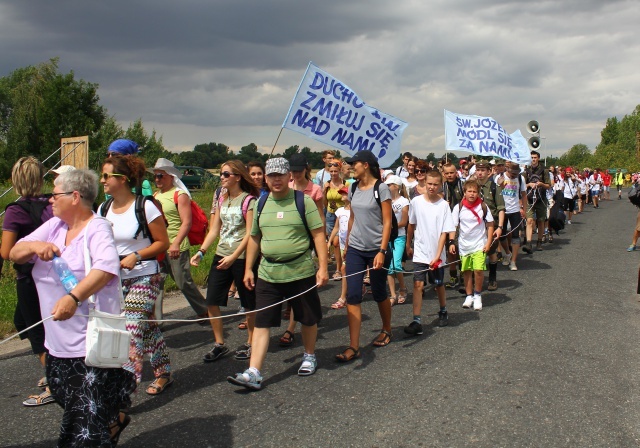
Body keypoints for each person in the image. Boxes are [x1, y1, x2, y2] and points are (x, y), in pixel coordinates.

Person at [9, 169, 135, 447]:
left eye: (55, 194)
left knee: (81, 431)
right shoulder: (54, 226)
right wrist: (36, 245)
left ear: (75, 196)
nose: (50, 200)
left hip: (87, 344)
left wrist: (73, 298)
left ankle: (103, 426)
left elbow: (105, 268)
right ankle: (113, 420)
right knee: (69, 399)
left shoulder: (97, 227)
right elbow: (14, 252)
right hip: (56, 344)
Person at [227, 158, 328, 390]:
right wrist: (249, 268)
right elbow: (254, 238)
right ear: (265, 178)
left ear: (289, 176)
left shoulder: (305, 202)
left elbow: (318, 236)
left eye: (280, 175)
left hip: (300, 271)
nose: (276, 179)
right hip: (268, 273)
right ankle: (254, 372)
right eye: (271, 175)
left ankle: (310, 355)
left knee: (308, 317)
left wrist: (322, 267)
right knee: (262, 322)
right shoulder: (260, 204)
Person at [100, 154, 173, 395]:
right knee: (148, 327)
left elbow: (162, 242)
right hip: (116, 279)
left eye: (106, 176)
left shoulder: (145, 206)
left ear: (122, 179)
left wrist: (137, 255)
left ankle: (124, 389)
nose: (102, 181)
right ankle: (163, 372)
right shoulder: (104, 208)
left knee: (131, 329)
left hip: (146, 274)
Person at [191, 160, 258, 362]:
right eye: (221, 174)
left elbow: (250, 234)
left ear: (238, 177)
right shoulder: (222, 198)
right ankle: (219, 343)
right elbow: (214, 230)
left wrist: (234, 256)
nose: (221, 177)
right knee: (212, 300)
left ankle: (252, 342)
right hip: (222, 254)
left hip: (242, 256)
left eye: (226, 174)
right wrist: (202, 251)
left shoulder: (249, 201)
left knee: (249, 303)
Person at [1, 157, 54, 406]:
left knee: (35, 332)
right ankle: (54, 370)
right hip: (53, 275)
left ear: (16, 181)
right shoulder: (51, 204)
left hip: (28, 277)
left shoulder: (15, 210)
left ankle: (56, 382)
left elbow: (6, 251)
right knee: (23, 321)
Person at [336, 150, 393, 361]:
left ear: (366, 165)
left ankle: (387, 329)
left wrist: (382, 250)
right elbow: (352, 217)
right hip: (356, 248)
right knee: (352, 294)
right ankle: (354, 346)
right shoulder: (352, 187)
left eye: (355, 163)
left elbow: (387, 221)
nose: (352, 167)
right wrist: (347, 243)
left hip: (377, 249)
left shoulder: (382, 188)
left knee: (378, 292)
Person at [149, 158, 209, 319]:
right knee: (158, 283)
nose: (157, 179)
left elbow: (186, 222)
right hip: (160, 246)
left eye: (160, 176)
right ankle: (157, 320)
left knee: (183, 282)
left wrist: (175, 243)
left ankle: (204, 310)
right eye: (155, 176)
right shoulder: (155, 195)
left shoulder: (179, 195)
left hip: (177, 246)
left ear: (170, 176)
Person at [404, 170, 455, 335]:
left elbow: (444, 233)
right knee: (418, 285)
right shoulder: (416, 202)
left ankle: (443, 310)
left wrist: (438, 255)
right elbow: (411, 224)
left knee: (438, 284)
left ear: (440, 185)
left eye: (435, 184)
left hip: (436, 254)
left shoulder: (444, 206)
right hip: (420, 251)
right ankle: (416, 320)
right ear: (424, 183)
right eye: (429, 184)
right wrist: (408, 244)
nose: (432, 187)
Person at [450, 179, 494, 311]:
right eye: (469, 191)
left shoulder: (483, 206)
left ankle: (477, 294)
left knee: (478, 270)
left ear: (478, 193)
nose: (472, 194)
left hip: (479, 244)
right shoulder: (458, 207)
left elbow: (490, 224)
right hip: (464, 245)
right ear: (464, 192)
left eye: (475, 191)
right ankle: (469, 295)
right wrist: (452, 242)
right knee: (466, 271)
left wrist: (488, 242)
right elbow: (453, 226)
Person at [474, 160, 505, 291]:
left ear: (488, 172)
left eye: (483, 170)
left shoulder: (494, 187)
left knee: (491, 252)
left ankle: (492, 278)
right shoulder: (472, 186)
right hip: (474, 225)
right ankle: (471, 281)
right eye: (478, 170)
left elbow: (501, 208)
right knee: (473, 252)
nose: (480, 173)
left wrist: (500, 227)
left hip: (490, 225)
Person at [496, 162, 528, 271]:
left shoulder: (520, 179)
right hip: (503, 210)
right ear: (507, 169)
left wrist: (524, 209)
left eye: (516, 173)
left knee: (515, 236)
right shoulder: (499, 177)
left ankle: (513, 261)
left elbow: (523, 195)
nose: (514, 176)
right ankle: (508, 253)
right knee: (502, 236)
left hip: (515, 210)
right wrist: (500, 185)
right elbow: (496, 194)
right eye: (512, 173)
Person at [384, 175, 409, 306]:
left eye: (389, 185)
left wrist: (390, 226)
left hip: (399, 236)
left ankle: (403, 288)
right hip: (386, 237)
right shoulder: (385, 201)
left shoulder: (404, 202)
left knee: (397, 264)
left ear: (396, 186)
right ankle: (393, 294)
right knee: (388, 266)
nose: (387, 187)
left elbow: (404, 222)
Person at [523, 151, 551, 253]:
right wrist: (529, 184)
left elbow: (549, 186)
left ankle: (539, 241)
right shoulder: (526, 171)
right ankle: (529, 243)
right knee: (529, 220)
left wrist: (541, 184)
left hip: (541, 198)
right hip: (529, 199)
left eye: (535, 157)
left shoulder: (544, 170)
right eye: (531, 158)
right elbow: (522, 186)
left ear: (538, 158)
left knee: (540, 220)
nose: (533, 159)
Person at [442, 162, 465, 287]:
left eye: (452, 172)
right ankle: (453, 276)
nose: (450, 175)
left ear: (456, 172)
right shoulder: (442, 186)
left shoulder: (462, 185)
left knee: (460, 249)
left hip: (462, 222)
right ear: (444, 174)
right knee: (450, 250)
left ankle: (463, 274)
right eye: (447, 173)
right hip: (447, 222)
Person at [328, 187, 351, 309]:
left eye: (344, 193)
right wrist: (330, 241)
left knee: (344, 269)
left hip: (352, 244)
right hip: (343, 244)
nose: (342, 195)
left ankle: (343, 298)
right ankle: (358, 288)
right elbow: (336, 228)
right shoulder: (340, 210)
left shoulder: (355, 210)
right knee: (347, 270)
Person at [323, 160, 345, 279]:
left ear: (340, 171)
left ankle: (342, 267)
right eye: (331, 171)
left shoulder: (346, 184)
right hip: (330, 215)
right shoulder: (327, 184)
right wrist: (324, 190)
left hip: (342, 215)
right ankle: (338, 268)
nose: (333, 173)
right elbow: (324, 202)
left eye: (335, 171)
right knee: (334, 244)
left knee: (338, 242)